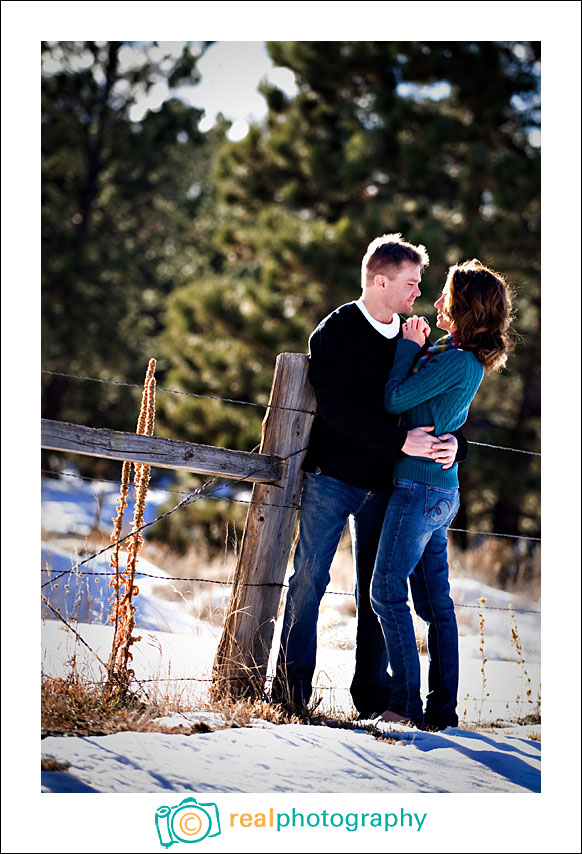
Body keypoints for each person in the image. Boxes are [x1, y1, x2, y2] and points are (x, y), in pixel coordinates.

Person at [271, 233, 468, 718]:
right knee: (309, 580)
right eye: (410, 283)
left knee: (375, 592)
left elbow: (439, 400)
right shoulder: (334, 332)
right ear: (380, 281)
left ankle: (372, 697)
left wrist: (455, 443)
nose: (417, 294)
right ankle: (292, 693)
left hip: (387, 486)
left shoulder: (413, 339)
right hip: (331, 477)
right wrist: (399, 442)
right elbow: (338, 410)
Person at [370, 259, 516, 729]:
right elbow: (437, 409)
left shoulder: (455, 359)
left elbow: (396, 399)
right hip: (437, 490)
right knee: (436, 607)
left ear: (464, 308)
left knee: (386, 592)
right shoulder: (451, 351)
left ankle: (404, 706)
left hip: (419, 489)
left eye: (446, 298)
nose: (435, 303)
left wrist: (405, 348)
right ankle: (442, 712)